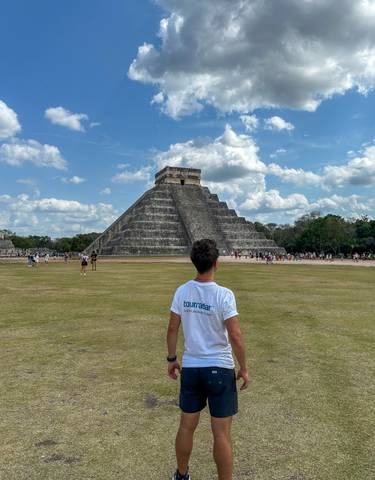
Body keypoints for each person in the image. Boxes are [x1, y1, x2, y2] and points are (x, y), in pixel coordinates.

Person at [166, 238, 250, 480]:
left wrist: (171, 359)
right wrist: (244, 368)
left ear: (194, 263)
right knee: (221, 434)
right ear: (216, 263)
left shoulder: (182, 291)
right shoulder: (224, 294)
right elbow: (235, 334)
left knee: (186, 427)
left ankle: (181, 475)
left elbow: (172, 329)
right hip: (220, 368)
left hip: (192, 368)